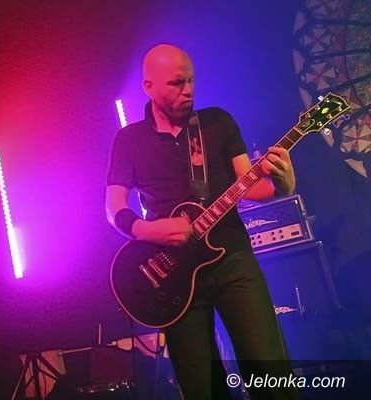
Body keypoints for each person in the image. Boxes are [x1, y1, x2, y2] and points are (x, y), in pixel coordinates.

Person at [106, 44, 299, 399]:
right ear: (148, 87)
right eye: (177, 83)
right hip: (173, 279)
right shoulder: (129, 140)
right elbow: (113, 207)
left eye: (191, 80)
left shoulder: (217, 122)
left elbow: (249, 185)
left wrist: (282, 184)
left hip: (232, 261)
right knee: (201, 386)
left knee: (269, 370)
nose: (188, 90)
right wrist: (150, 230)